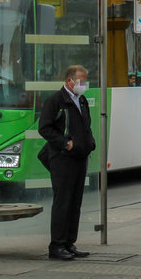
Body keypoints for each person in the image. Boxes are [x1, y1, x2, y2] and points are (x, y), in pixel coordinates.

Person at [39, 65, 97, 259]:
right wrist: (65, 144)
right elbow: (45, 128)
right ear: (69, 80)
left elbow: (85, 125)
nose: (83, 85)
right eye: (80, 81)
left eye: (85, 81)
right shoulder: (56, 100)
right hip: (62, 158)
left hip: (80, 157)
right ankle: (57, 245)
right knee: (63, 201)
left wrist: (90, 143)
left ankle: (69, 242)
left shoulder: (81, 100)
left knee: (75, 202)